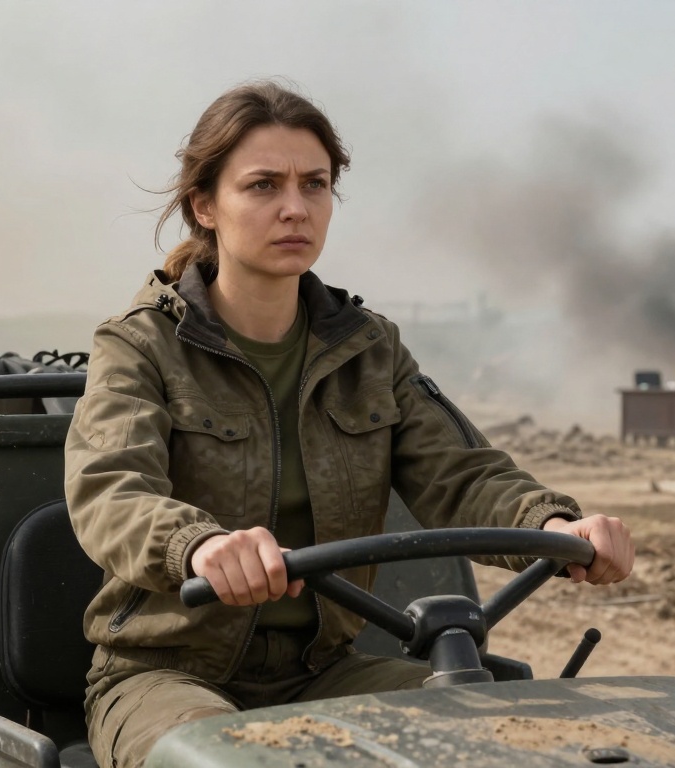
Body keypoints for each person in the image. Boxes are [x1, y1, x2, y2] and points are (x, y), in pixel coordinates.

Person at [64, 80, 634, 768]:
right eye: (264, 186)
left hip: (323, 673)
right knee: (225, 760)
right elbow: (110, 492)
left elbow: (459, 472)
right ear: (204, 205)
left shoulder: (369, 348)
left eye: (315, 184)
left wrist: (553, 526)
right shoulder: (139, 344)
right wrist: (198, 547)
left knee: (504, 733)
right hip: (164, 676)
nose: (295, 208)